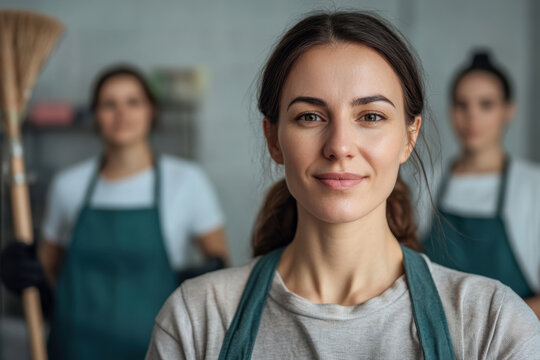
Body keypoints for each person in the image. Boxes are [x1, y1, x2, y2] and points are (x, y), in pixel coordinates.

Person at [145, 12, 540, 360]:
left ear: (409, 137)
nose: (339, 147)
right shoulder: (195, 319)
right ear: (273, 138)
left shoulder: (493, 324)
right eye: (310, 117)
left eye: (370, 116)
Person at [0, 65, 229, 359]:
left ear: (151, 112)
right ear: (95, 115)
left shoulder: (187, 180)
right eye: (109, 104)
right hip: (75, 347)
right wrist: (21, 272)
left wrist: (206, 278)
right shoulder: (68, 185)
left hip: (160, 349)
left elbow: (223, 263)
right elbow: (46, 273)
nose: (122, 113)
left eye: (133, 102)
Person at [422, 52, 540, 317]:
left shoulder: (533, 187)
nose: (472, 116)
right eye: (462, 104)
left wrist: (491, 327)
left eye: (486, 104)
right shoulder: (427, 183)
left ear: (508, 110)